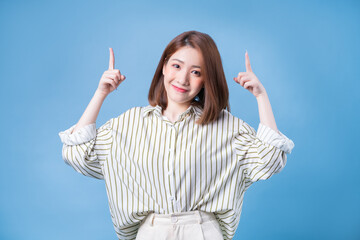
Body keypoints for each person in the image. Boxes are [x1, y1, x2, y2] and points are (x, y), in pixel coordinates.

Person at [59, 30, 294, 240]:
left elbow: (270, 159)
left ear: (206, 79)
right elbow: (78, 153)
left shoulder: (226, 127)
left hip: (202, 232)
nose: (182, 79)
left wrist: (261, 96)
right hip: (151, 232)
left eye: (196, 72)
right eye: (177, 66)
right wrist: (101, 93)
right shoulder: (129, 124)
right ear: (164, 66)